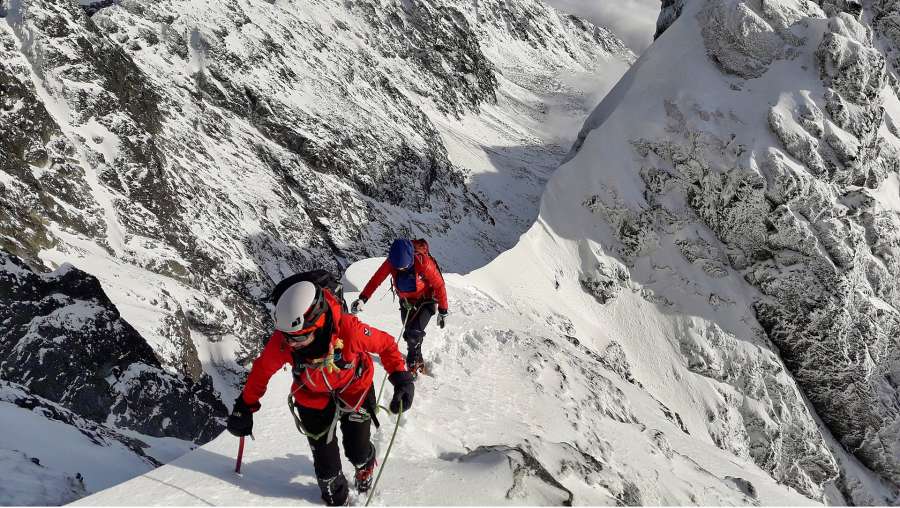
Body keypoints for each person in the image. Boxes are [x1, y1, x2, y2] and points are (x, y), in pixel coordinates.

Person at [226, 280, 414, 506]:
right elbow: (262, 370)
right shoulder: (285, 340)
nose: (291, 344)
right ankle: (338, 498)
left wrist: (400, 376)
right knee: (327, 476)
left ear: (318, 322)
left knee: (358, 451)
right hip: (311, 397)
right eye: (287, 336)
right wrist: (245, 405)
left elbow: (385, 345)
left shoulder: (348, 331)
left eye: (297, 338)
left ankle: (364, 464)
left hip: (355, 390)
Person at [351, 238, 448, 376]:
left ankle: (412, 364)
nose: (400, 270)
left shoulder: (424, 263)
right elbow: (376, 280)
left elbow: (439, 285)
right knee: (410, 334)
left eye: (404, 267)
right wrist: (363, 298)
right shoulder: (391, 262)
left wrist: (443, 310)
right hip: (406, 301)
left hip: (427, 299)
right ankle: (418, 357)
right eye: (398, 268)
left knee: (413, 333)